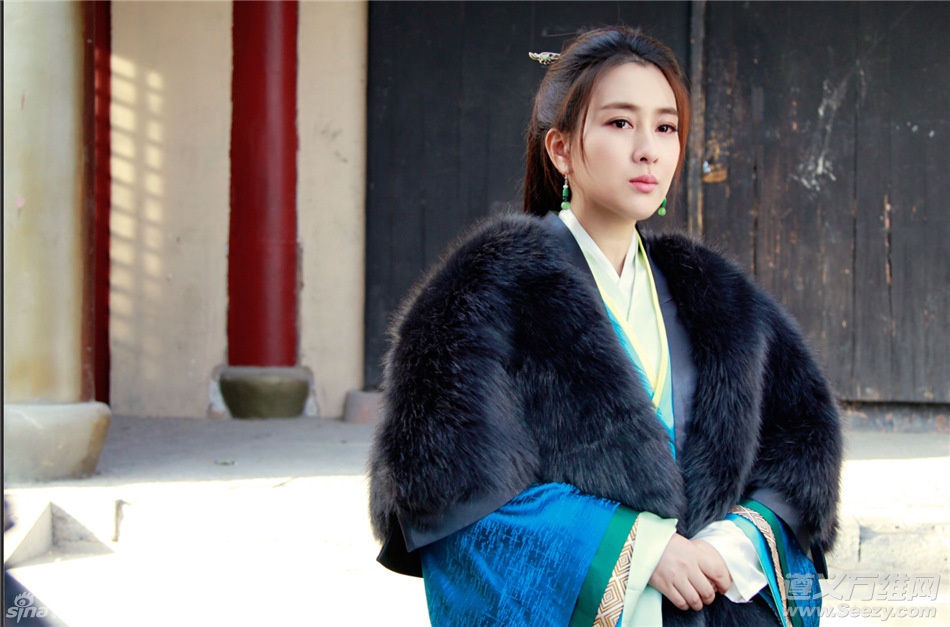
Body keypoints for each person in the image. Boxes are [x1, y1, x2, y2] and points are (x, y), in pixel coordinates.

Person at [369, 26, 842, 627]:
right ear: (561, 149)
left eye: (666, 128)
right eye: (620, 123)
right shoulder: (482, 291)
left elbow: (800, 446)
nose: (648, 150)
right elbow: (448, 493)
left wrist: (731, 544)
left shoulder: (718, 296)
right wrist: (641, 551)